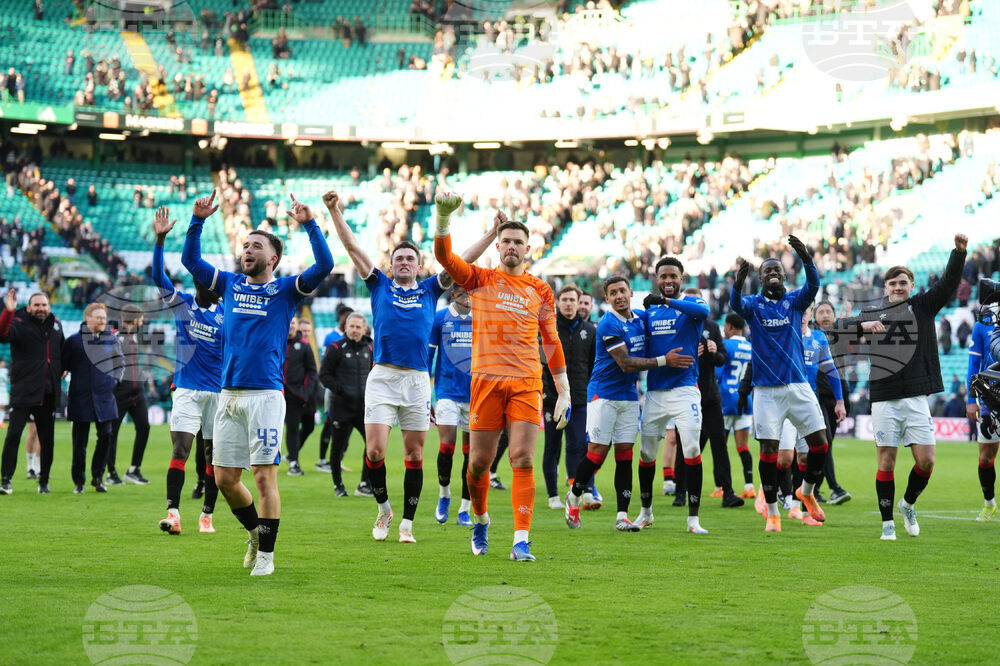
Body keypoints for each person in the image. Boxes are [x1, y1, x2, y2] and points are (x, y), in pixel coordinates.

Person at [324, 190, 495, 543]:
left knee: (415, 454)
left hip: (417, 381)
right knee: (374, 451)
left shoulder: (432, 289)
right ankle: (383, 508)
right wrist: (334, 210)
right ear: (390, 266)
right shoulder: (379, 285)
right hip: (383, 377)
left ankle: (406, 524)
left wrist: (492, 234)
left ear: (419, 266)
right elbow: (354, 247)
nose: (403, 263)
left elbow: (461, 261)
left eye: (409, 259)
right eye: (398, 259)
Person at [182, 189, 334, 576]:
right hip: (227, 395)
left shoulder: (284, 290)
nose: (247, 250)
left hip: (266, 396)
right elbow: (190, 261)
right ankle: (254, 533)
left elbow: (325, 264)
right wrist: (197, 220)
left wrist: (310, 224)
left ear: (273, 257)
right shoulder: (229, 284)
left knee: (265, 478)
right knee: (225, 479)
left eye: (256, 246)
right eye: (245, 245)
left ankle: (266, 556)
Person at [434, 194, 571, 562]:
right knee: (478, 464)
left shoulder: (540, 289)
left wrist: (564, 391)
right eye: (506, 241)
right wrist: (444, 218)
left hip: (527, 382)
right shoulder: (480, 279)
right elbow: (446, 260)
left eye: (518, 242)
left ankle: (521, 540)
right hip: (486, 382)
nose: (512, 247)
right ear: (497, 246)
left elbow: (551, 340)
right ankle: (480, 519)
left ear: (528, 249)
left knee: (523, 459)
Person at [837, 234, 967, 540]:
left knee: (927, 461)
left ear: (911, 286)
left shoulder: (923, 306)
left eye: (903, 283)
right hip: (884, 397)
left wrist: (958, 254)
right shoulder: (871, 313)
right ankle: (887, 524)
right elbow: (836, 331)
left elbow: (949, 283)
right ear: (885, 288)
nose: (897, 287)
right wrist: (859, 325)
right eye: (892, 283)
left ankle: (907, 504)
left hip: (916, 396)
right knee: (887, 460)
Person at [730, 235, 828, 533]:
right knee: (769, 454)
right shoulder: (754, 305)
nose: (773, 274)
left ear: (784, 275)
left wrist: (806, 257)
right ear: (760, 278)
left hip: (798, 386)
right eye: (767, 271)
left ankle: (806, 492)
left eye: (777, 271)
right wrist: (737, 283)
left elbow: (813, 286)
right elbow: (735, 305)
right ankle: (772, 512)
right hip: (766, 392)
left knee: (820, 445)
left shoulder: (795, 301)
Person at [565, 276, 664, 532]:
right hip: (603, 395)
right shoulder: (608, 323)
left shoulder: (641, 318)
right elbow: (626, 363)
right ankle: (574, 495)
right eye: (613, 293)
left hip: (629, 396)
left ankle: (622, 516)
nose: (619, 295)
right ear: (606, 299)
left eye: (622, 290)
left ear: (631, 292)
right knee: (597, 453)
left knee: (625, 455)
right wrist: (665, 360)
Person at [149, 206, 223, 535]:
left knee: (213, 456)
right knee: (180, 449)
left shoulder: (227, 315)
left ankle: (207, 514)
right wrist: (160, 241)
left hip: (218, 394)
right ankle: (173, 512)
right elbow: (158, 278)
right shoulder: (183, 305)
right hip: (188, 391)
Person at [634, 257, 710, 534]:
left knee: (691, 448)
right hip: (655, 392)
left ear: (682, 278)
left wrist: (665, 302)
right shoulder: (648, 315)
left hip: (685, 389)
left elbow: (704, 313)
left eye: (673, 276)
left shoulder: (692, 305)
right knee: (646, 453)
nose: (668, 281)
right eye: (663, 276)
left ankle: (693, 519)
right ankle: (645, 513)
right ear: (656, 279)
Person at [0, 291, 64, 495]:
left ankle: (43, 481)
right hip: (24, 390)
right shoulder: (18, 322)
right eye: (36, 305)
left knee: (47, 440)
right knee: (13, 436)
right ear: (28, 308)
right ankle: (5, 480)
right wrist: (8, 312)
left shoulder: (56, 325)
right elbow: (2, 334)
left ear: (49, 307)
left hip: (49, 393)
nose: (40, 308)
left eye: (44, 305)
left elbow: (62, 351)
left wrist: (63, 367)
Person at [687, 288, 743, 508]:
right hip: (688, 395)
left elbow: (722, 358)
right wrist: (693, 355)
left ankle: (727, 492)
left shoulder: (711, 327)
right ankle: (682, 491)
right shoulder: (681, 326)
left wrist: (712, 352)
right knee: (691, 445)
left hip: (710, 395)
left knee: (719, 443)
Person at [541, 283, 595, 510]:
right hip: (552, 400)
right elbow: (541, 364)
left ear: (578, 302)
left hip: (580, 399)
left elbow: (593, 365)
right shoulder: (547, 329)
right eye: (565, 300)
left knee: (579, 446)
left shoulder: (590, 331)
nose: (570, 303)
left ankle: (578, 491)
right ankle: (553, 495)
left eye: (573, 300)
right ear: (558, 303)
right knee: (552, 447)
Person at [62, 302, 124, 494]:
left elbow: (120, 363)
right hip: (80, 397)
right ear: (87, 318)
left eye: (104, 318)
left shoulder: (112, 340)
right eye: (98, 318)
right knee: (79, 442)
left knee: (106, 436)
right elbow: (65, 364)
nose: (102, 321)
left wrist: (115, 381)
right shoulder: (73, 341)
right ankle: (79, 481)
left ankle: (98, 477)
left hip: (105, 397)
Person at [429, 285, 474, 524]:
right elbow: (428, 357)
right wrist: (425, 392)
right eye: (466, 294)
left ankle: (464, 508)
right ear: (455, 295)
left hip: (475, 395)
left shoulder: (482, 319)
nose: (471, 298)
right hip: (446, 392)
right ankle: (444, 494)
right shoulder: (440, 318)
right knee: (447, 446)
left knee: (471, 454)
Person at [319, 311, 373, 497]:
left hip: (364, 408)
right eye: (352, 326)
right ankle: (338, 486)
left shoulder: (371, 348)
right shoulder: (335, 348)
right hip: (341, 408)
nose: (355, 330)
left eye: (358, 327)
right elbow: (324, 375)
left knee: (372, 446)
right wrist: (341, 390)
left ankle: (365, 484)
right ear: (346, 328)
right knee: (338, 448)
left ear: (364, 329)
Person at [811, 301, 852, 504]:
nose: (826, 315)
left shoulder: (839, 336)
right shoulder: (810, 334)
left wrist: (842, 399)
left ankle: (814, 489)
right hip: (815, 396)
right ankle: (835, 488)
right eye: (821, 312)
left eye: (829, 312)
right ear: (814, 316)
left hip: (834, 398)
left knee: (825, 446)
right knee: (823, 443)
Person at [108, 304, 152, 485]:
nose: (142, 323)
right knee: (113, 432)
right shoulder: (115, 337)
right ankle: (110, 472)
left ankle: (134, 469)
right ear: (134, 320)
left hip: (137, 390)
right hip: (120, 391)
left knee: (144, 427)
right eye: (140, 320)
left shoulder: (134, 336)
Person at [718, 313, 756, 498]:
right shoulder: (751, 347)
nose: (724, 330)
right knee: (743, 446)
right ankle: (749, 486)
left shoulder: (726, 345)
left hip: (725, 400)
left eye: (725, 327)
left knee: (720, 447)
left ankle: (721, 488)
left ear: (730, 327)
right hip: (745, 399)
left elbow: (717, 374)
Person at [282, 315, 318, 476]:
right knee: (292, 428)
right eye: (288, 322)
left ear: (296, 326)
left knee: (308, 426)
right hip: (282, 394)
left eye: (293, 323)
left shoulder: (304, 345)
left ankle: (291, 455)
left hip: (300, 394)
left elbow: (312, 370)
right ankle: (294, 463)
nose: (290, 326)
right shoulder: (277, 341)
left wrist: (305, 392)